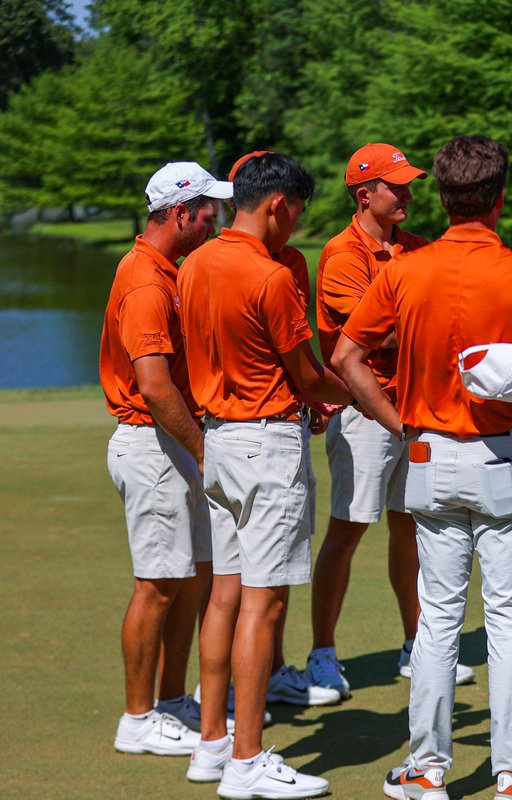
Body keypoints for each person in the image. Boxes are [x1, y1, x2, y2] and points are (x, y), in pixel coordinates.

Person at [333, 135, 512, 800]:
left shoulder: (402, 272)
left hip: (429, 455)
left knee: (437, 619)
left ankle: (426, 769)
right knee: (508, 620)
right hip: (503, 458)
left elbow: (345, 358)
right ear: (500, 198)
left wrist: (395, 420)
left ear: (443, 196)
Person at [179, 151, 353, 799]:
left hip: (218, 443)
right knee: (265, 600)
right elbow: (307, 374)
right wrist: (347, 396)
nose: (296, 227)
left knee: (226, 593)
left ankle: (212, 744)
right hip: (266, 444)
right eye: (298, 212)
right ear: (277, 203)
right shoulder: (272, 276)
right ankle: (247, 762)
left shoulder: (193, 263)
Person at [308, 143, 473, 696]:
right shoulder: (341, 257)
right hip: (363, 411)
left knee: (411, 526)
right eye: (395, 186)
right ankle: (322, 653)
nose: (406, 194)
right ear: (364, 194)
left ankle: (416, 644)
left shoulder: (416, 247)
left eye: (407, 184)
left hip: (415, 406)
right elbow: (382, 331)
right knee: (349, 528)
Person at [102, 162, 228, 756]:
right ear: (181, 213)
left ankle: (173, 701)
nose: (215, 223)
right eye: (209, 214)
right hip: (154, 443)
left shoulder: (163, 270)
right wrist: (205, 452)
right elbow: (153, 386)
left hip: (169, 442)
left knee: (189, 576)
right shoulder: (147, 282)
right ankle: (136, 717)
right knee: (157, 584)